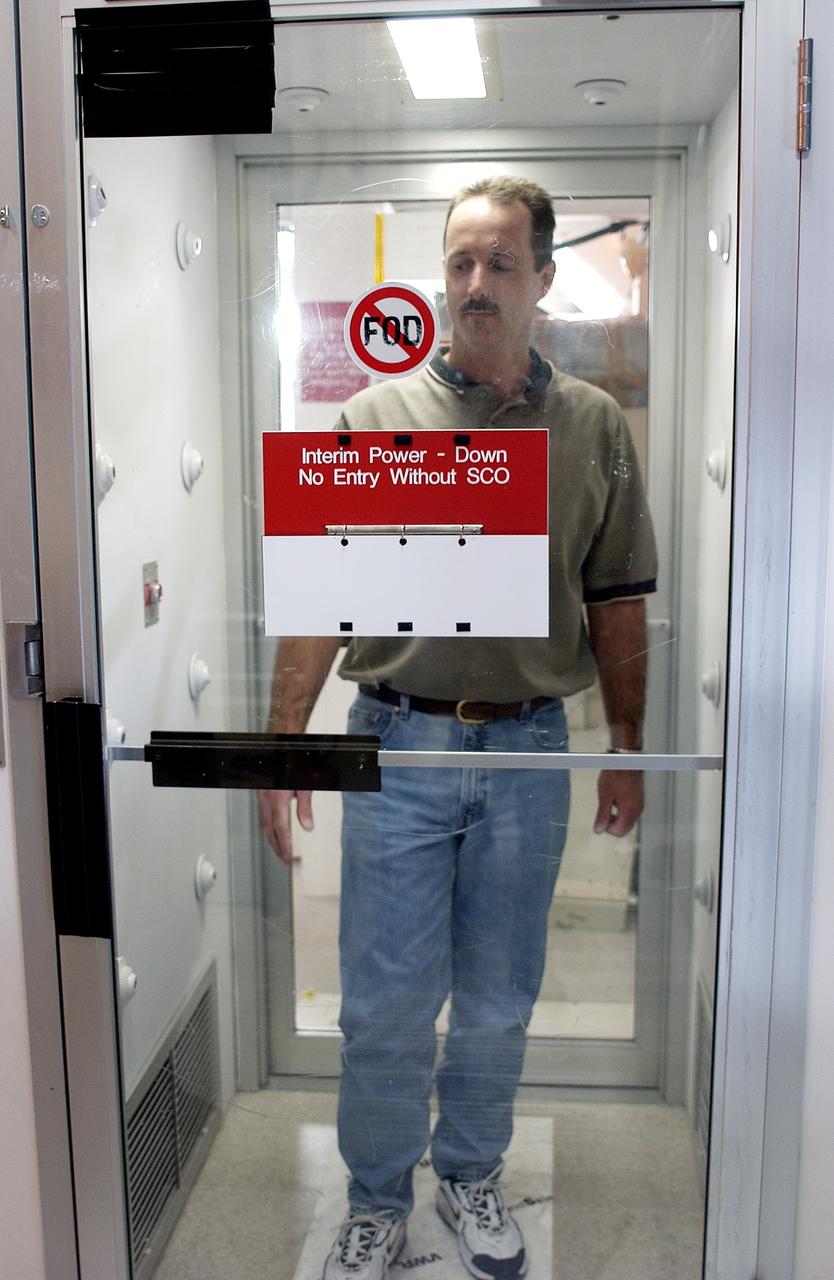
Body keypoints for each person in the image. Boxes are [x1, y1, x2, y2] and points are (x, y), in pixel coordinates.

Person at [258, 176, 657, 1280]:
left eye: (499, 264)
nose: (476, 285)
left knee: (495, 998)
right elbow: (317, 601)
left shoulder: (590, 427)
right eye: (461, 263)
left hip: (530, 748)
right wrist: (287, 741)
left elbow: (619, 598)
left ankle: (471, 1176)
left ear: (542, 277)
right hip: (398, 744)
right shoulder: (374, 419)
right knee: (385, 1001)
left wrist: (626, 745)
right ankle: (378, 1201)